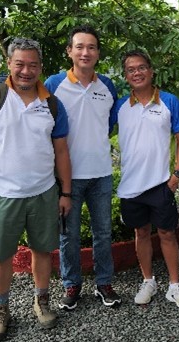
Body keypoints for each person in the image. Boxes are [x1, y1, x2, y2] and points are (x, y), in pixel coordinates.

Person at [0, 38, 72, 342]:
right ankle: (1, 312)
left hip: (43, 192)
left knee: (43, 251)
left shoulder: (52, 103)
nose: (26, 71)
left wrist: (65, 193)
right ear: (9, 64)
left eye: (33, 64)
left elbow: (62, 152)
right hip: (4, 195)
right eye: (20, 64)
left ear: (41, 66)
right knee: (1, 258)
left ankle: (42, 303)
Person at [45, 25, 121, 310]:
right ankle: (71, 284)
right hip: (68, 177)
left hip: (101, 173)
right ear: (69, 51)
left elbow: (109, 124)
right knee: (69, 234)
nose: (85, 52)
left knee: (103, 233)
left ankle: (104, 283)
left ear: (98, 53)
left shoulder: (108, 87)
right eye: (79, 46)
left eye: (91, 47)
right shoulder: (53, 84)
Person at [111, 50, 179, 310]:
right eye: (131, 69)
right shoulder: (120, 107)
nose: (137, 73)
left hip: (161, 183)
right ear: (126, 75)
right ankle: (148, 281)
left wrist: (177, 174)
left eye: (141, 67)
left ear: (151, 70)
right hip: (130, 186)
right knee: (141, 232)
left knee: (168, 233)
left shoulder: (169, 101)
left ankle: (174, 286)